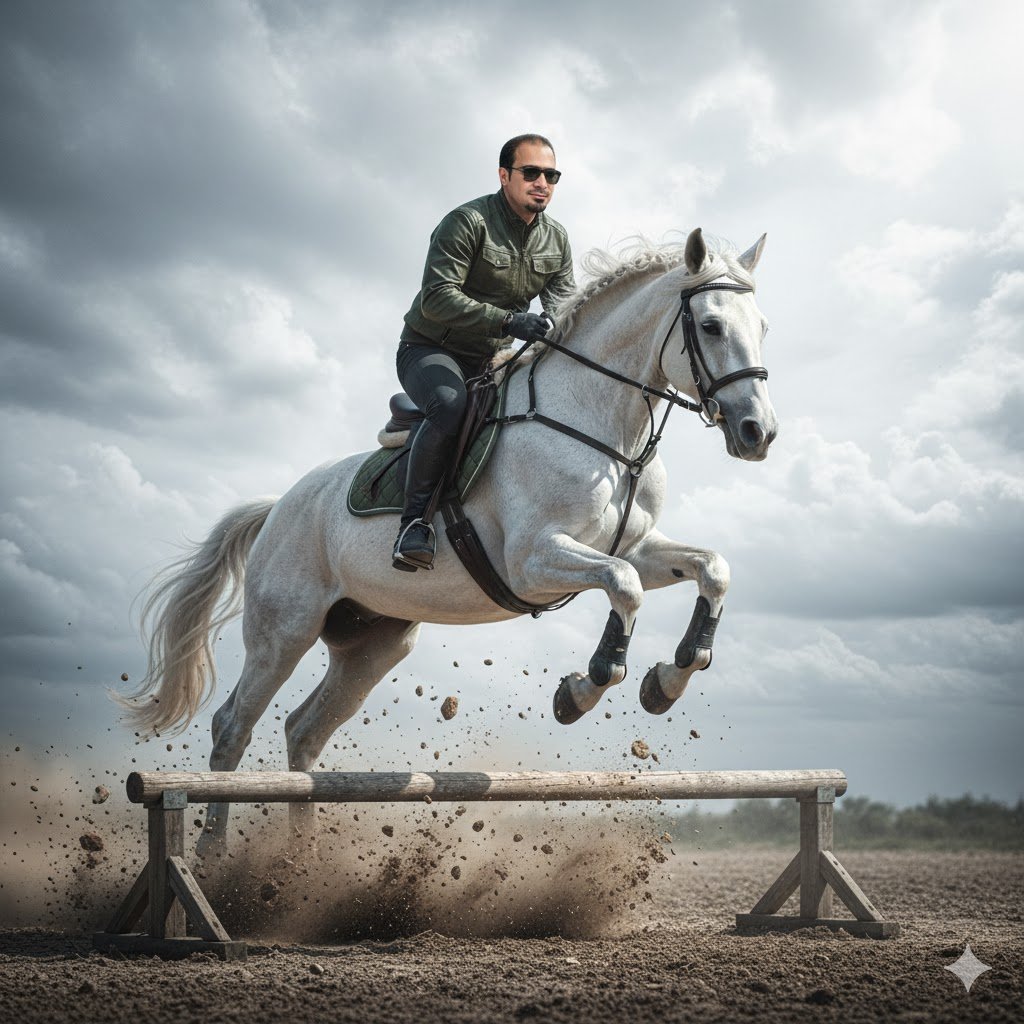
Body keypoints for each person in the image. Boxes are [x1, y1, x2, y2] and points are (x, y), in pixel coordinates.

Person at [392, 133, 576, 571]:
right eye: (530, 172)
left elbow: (565, 307)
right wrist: (509, 322)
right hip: (430, 349)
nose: (542, 183)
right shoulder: (467, 221)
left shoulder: (557, 239)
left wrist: (564, 331)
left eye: (551, 175)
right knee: (450, 405)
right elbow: (437, 298)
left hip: (491, 361)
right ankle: (413, 524)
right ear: (504, 175)